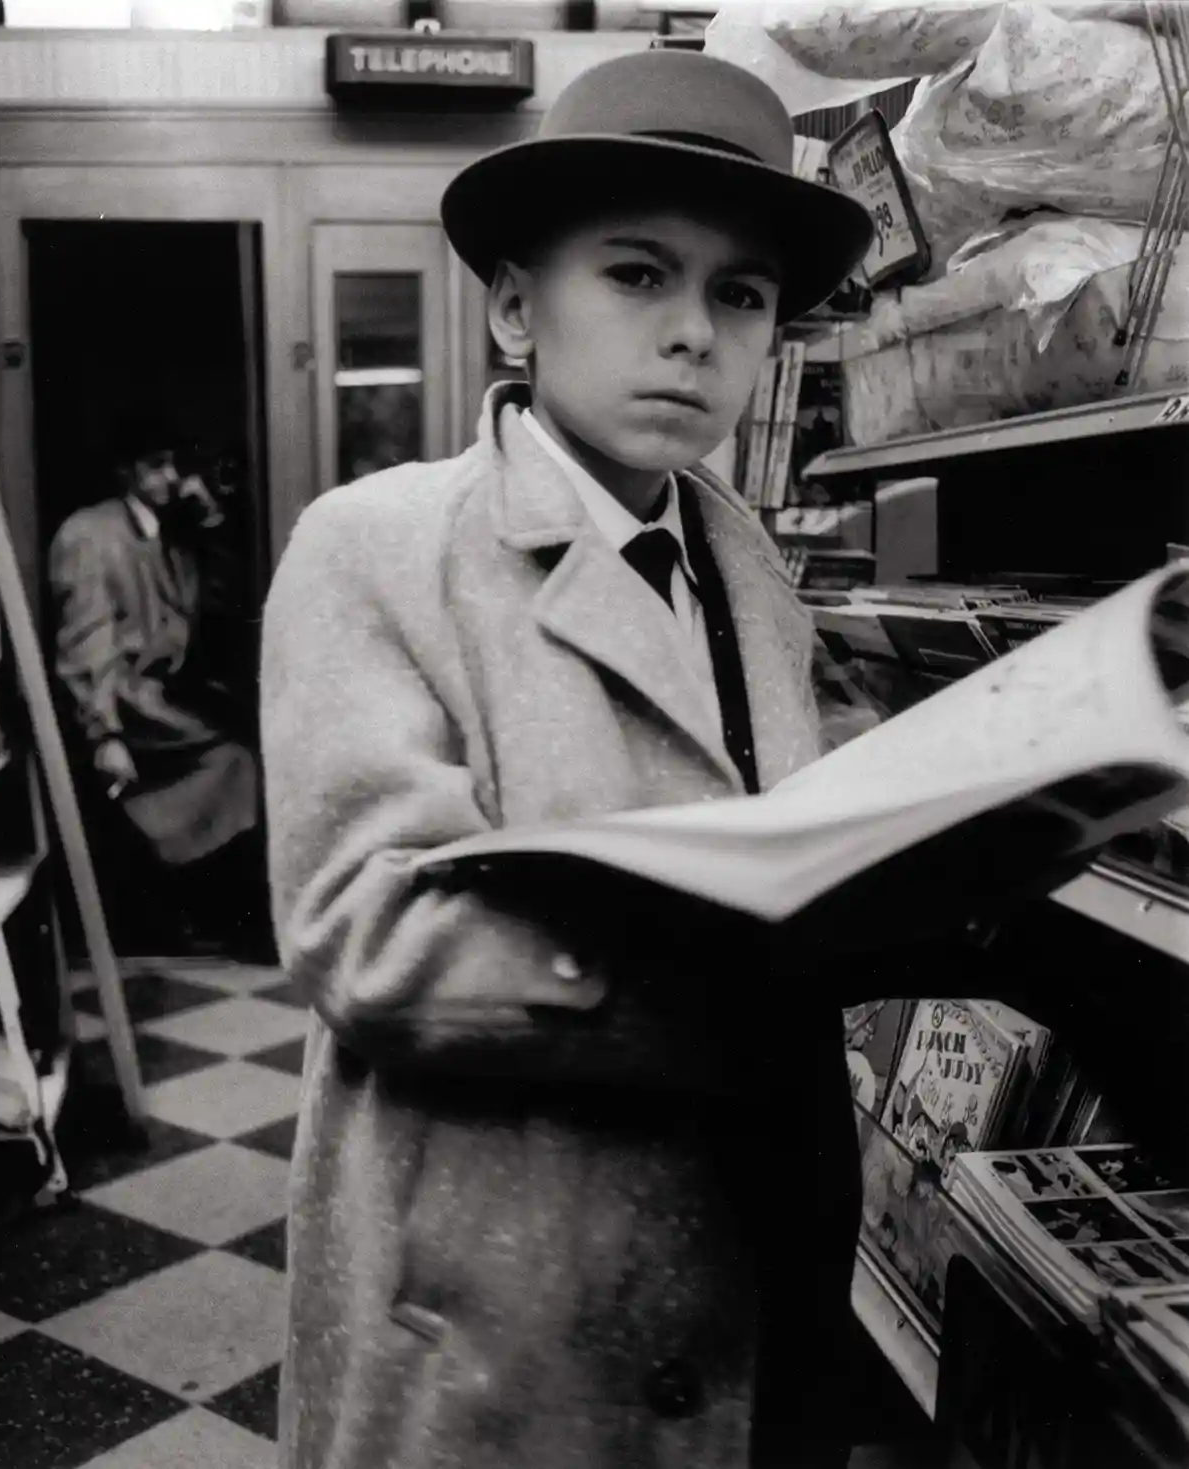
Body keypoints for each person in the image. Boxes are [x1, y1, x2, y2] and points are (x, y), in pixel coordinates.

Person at [260, 50, 873, 1469]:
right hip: (502, 1323)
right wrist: (725, 975)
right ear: (515, 306)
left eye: (740, 293)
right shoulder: (380, 545)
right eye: (638, 274)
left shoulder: (750, 575)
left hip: (751, 1280)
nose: (692, 335)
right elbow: (362, 929)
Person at [48, 411, 272, 962]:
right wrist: (104, 734)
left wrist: (215, 524)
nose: (170, 479)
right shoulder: (89, 535)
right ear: (126, 473)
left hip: (168, 694)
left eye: (175, 465)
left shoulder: (175, 534)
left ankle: (204, 905)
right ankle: (182, 902)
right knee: (235, 759)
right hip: (128, 701)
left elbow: (217, 611)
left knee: (250, 744)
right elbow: (87, 641)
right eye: (155, 467)